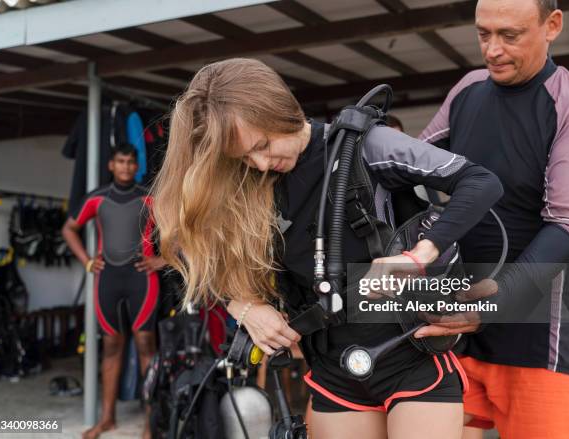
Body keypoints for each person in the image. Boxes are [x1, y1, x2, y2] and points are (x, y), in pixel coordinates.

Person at [151, 57, 503, 439]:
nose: (260, 163)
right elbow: (187, 245)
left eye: (263, 145)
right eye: (244, 158)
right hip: (334, 370)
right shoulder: (249, 183)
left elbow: (479, 182)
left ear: (280, 110)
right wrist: (246, 308)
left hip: (410, 356)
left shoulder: (366, 146)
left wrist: (419, 255)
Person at [417, 1, 569, 438]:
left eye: (509, 35)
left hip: (549, 334)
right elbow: (416, 163)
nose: (492, 50)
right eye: (483, 34)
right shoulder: (469, 88)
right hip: (467, 323)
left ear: (552, 25)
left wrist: (492, 304)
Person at [62, 143, 165, 439]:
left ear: (137, 166)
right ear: (111, 165)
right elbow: (69, 229)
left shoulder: (149, 198)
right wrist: (86, 261)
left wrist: (162, 259)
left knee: (146, 345)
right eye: (120, 161)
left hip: (141, 279)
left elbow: (181, 233)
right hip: (107, 278)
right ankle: (107, 418)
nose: (126, 167)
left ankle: (150, 422)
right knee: (111, 347)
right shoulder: (96, 198)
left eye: (131, 162)